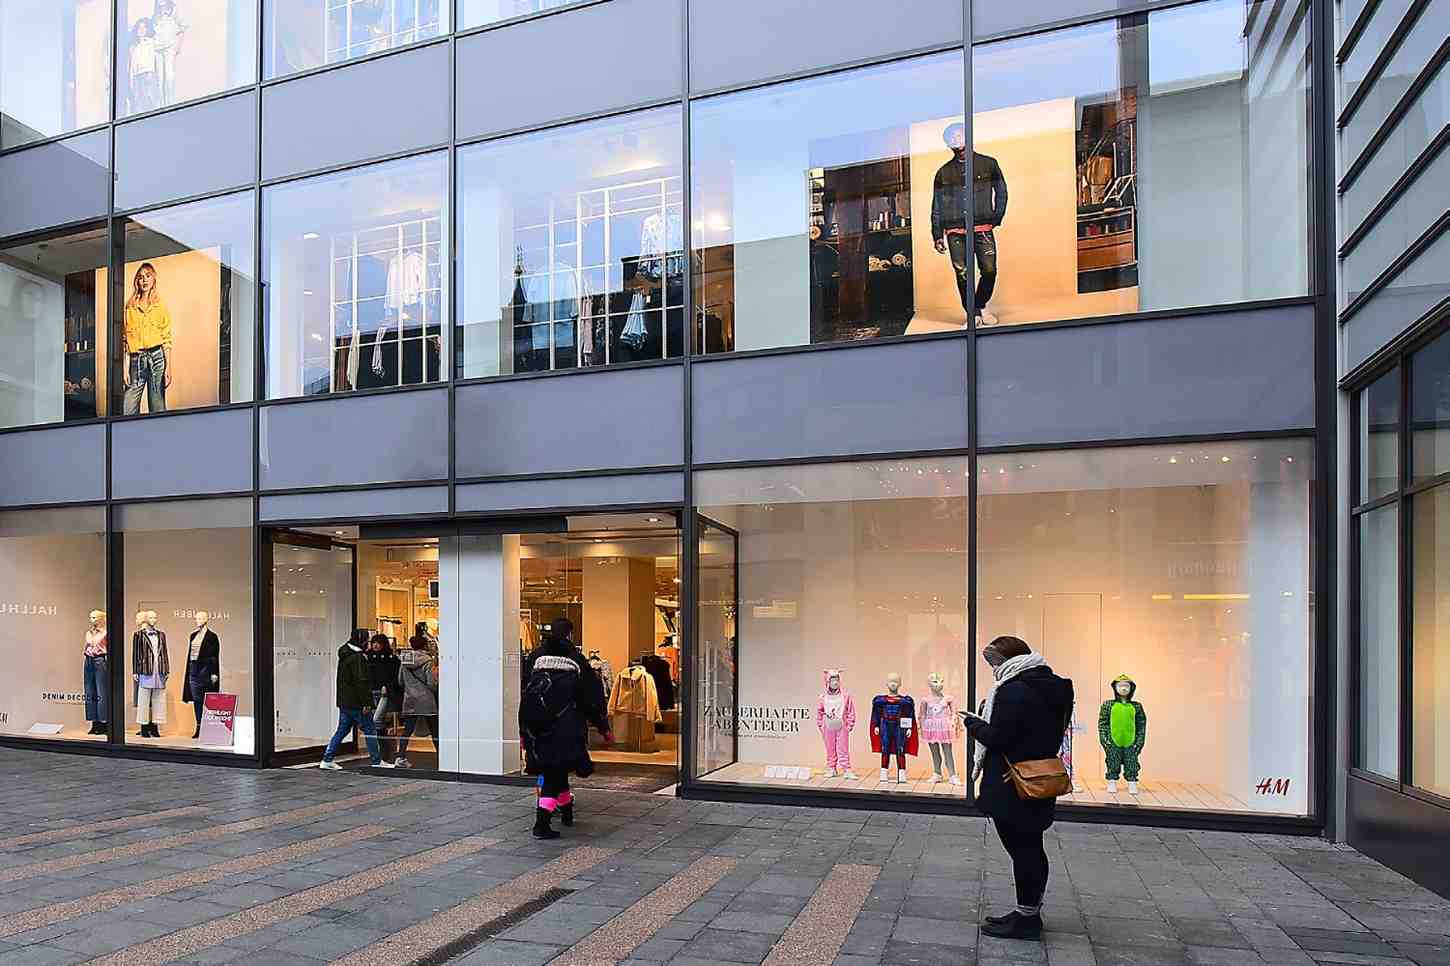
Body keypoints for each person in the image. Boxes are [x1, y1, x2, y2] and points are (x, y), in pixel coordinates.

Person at [962, 636, 1074, 941]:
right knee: (1031, 848)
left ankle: (1026, 919)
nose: (993, 669)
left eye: (994, 662)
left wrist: (973, 724)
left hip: (1012, 783)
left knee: (1023, 851)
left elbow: (1000, 738)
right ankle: (1028, 911)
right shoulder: (1056, 686)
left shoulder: (1012, 690)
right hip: (1039, 777)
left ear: (1008, 661)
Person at [519, 618, 612, 839]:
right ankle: (542, 823)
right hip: (566, 731)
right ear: (569, 635)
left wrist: (524, 733)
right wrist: (603, 727)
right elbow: (591, 700)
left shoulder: (536, 660)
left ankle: (567, 811)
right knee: (554, 775)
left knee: (555, 773)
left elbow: (525, 699)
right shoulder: (576, 662)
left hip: (538, 731)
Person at [931, 122, 1008, 326]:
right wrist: (937, 234)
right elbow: (937, 205)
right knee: (962, 274)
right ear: (947, 144)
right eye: (952, 138)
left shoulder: (989, 163)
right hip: (955, 231)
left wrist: (995, 217)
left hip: (982, 227)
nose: (956, 140)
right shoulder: (943, 172)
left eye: (960, 135)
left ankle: (980, 305)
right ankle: (972, 315)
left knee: (989, 270)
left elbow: (1002, 192)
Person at [320, 629, 394, 770]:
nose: (369, 644)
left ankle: (327, 759)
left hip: (345, 701)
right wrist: (367, 703)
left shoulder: (345, 654)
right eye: (367, 640)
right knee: (370, 729)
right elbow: (361, 682)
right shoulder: (357, 658)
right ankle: (376, 761)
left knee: (342, 730)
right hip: (356, 702)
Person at [121, 262, 172, 415]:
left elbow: (166, 338)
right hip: (136, 360)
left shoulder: (160, 306)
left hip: (157, 358)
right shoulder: (130, 308)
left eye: (148, 276)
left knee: (157, 407)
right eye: (141, 277)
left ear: (153, 279)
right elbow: (125, 341)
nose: (144, 280)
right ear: (137, 281)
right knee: (128, 409)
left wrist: (168, 367)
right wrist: (125, 368)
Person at [395, 636, 439, 768]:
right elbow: (431, 682)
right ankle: (442, 756)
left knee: (407, 730)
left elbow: (400, 681)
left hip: (410, 699)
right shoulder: (428, 661)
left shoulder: (405, 659)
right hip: (426, 700)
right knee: (435, 730)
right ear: (425, 646)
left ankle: (401, 757)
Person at [366, 633, 402, 758]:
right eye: (373, 642)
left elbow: (396, 676)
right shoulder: (368, 657)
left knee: (376, 720)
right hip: (371, 692)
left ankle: (383, 751)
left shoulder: (391, 658)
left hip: (385, 693)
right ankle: (384, 751)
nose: (375, 645)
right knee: (377, 721)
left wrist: (387, 686)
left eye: (378, 643)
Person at [127, 17, 160, 113]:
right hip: (137, 75)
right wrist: (131, 79)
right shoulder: (133, 47)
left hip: (148, 73)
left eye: (144, 27)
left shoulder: (151, 42)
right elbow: (131, 65)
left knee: (149, 98)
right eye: (139, 28)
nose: (141, 30)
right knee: (138, 100)